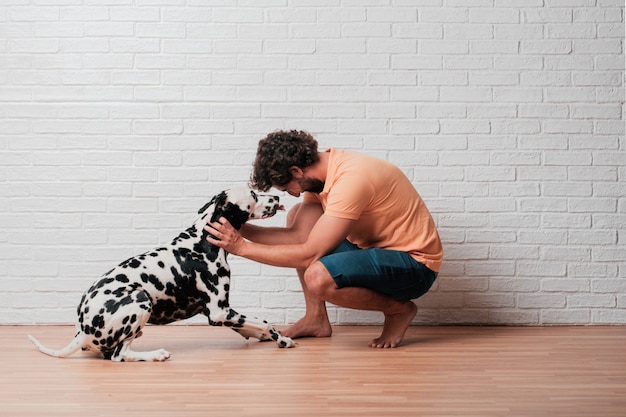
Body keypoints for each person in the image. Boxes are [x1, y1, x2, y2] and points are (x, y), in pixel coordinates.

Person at [205, 130, 443, 348]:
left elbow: (309, 252)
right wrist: (240, 228)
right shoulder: (323, 174)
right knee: (297, 214)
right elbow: (298, 237)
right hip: (376, 254)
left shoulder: (351, 180)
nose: (293, 193)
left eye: (286, 187)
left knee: (318, 277)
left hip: (414, 266)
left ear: (296, 171)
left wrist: (241, 248)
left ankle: (398, 310)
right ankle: (316, 319)